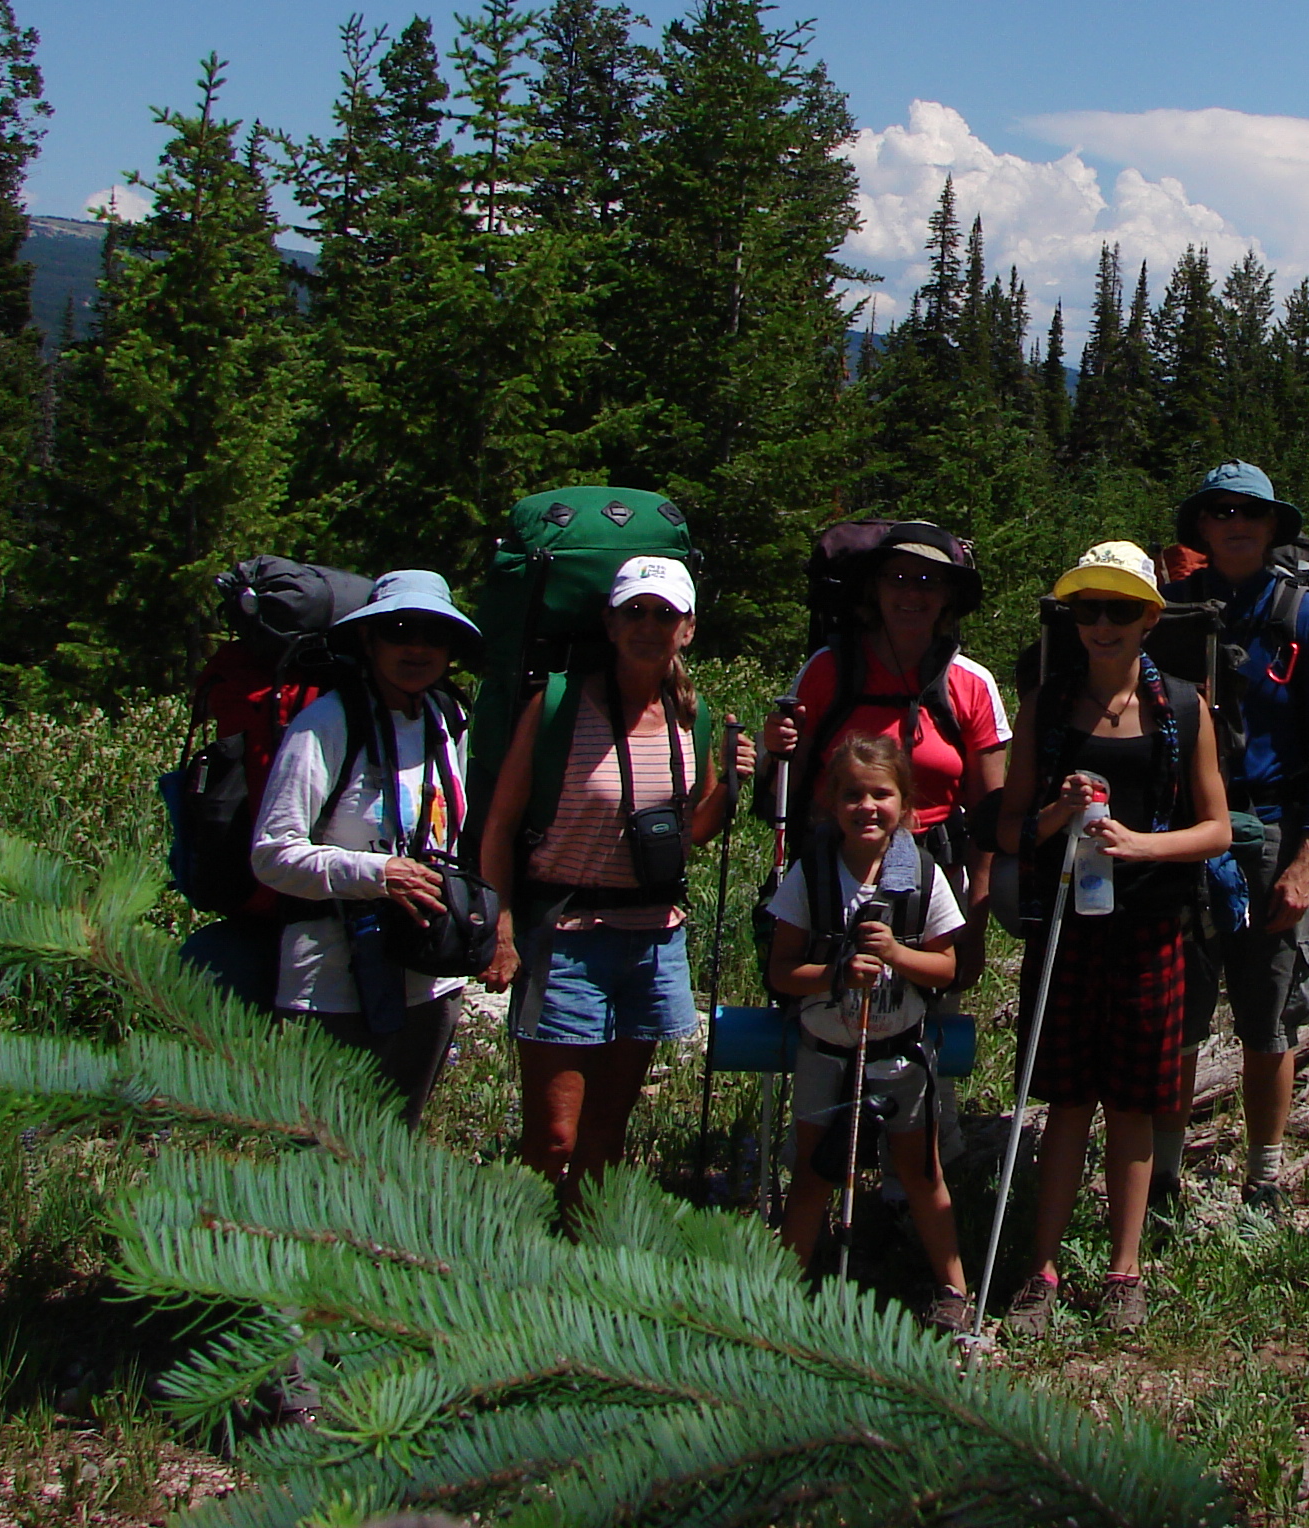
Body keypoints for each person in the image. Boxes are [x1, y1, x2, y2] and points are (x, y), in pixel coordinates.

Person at [994, 540, 1229, 1335]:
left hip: (1151, 922)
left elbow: (1217, 829)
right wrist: (1059, 815)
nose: (1101, 624)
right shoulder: (1043, 706)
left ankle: (1124, 1272)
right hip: (1068, 927)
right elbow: (1009, 825)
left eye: (1119, 610)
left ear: (1150, 618)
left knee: (1134, 1105)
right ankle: (1043, 1271)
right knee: (1067, 1102)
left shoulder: (1188, 708)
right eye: (1086, 609)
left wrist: (1140, 846)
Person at [478, 553, 756, 1216]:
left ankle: (577, 1262)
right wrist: (501, 928)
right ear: (609, 622)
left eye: (664, 615)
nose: (648, 626)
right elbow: (501, 824)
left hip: (652, 940)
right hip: (566, 936)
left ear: (687, 629)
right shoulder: (558, 708)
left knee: (607, 1133)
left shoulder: (693, 717)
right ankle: (521, 1256)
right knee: (552, 1137)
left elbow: (692, 832)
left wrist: (740, 776)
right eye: (635, 611)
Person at [1162, 462, 1309, 1217]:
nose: (1236, 522)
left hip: (1273, 832)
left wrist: (1306, 857)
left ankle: (1264, 1181)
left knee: (1269, 1019)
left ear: (1274, 527)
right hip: (1181, 835)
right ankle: (1165, 1180)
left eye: (1252, 512)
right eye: (1220, 511)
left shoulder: (1307, 619)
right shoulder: (1167, 611)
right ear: (1201, 527)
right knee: (1175, 1016)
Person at [248, 567, 480, 1130]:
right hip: (329, 979)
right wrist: (380, 874)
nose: (417, 648)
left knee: (395, 1142)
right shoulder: (326, 723)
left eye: (434, 634)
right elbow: (272, 853)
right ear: (369, 639)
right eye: (400, 630)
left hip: (428, 975)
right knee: (324, 1153)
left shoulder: (448, 719)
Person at [765, 735, 971, 1331]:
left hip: (900, 1055)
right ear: (832, 804)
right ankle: (782, 1295)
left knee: (921, 1172)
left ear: (905, 807)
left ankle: (953, 1292)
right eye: (853, 795)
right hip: (826, 1052)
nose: (867, 807)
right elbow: (781, 970)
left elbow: (948, 967)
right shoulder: (812, 875)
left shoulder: (925, 875)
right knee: (812, 1174)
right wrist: (835, 972)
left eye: (882, 794)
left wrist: (896, 957)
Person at [761, 522, 1009, 961]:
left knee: (923, 1022)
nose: (911, 594)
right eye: (896, 578)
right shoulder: (827, 671)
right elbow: (787, 793)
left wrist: (974, 924)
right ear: (873, 590)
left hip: (933, 896)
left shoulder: (972, 685)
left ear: (948, 595)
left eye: (927, 581)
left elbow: (988, 825)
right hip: (829, 886)